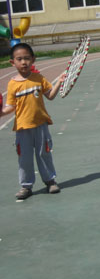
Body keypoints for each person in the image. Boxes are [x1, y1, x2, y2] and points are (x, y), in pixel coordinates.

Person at [0, 43, 65, 200]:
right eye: (19, 59)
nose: (24, 62)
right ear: (12, 62)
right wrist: (1, 113)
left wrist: (59, 82)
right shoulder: (12, 84)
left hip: (41, 125)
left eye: (27, 58)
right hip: (22, 128)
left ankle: (50, 181)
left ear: (33, 60)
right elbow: (10, 107)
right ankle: (26, 186)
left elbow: (50, 95)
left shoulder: (39, 78)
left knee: (44, 154)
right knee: (25, 158)